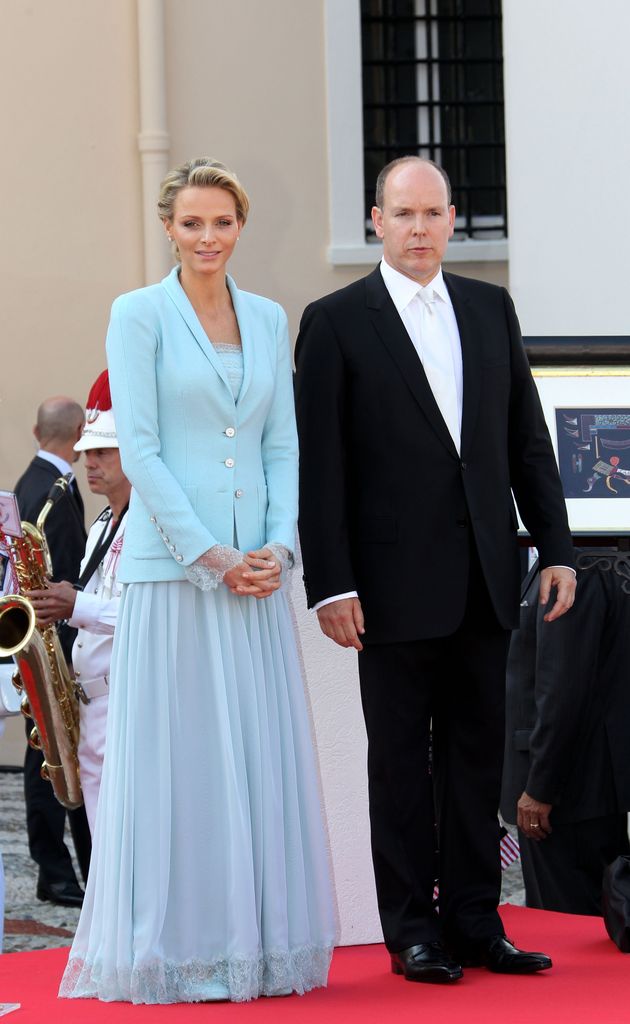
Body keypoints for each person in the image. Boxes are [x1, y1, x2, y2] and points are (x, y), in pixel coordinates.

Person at [59, 159, 335, 1004]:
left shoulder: (267, 315)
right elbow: (138, 448)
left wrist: (277, 550)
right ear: (169, 228)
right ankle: (173, 950)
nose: (208, 238)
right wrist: (212, 556)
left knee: (250, 762)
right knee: (180, 762)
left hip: (256, 575)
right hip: (175, 574)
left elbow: (281, 445)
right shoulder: (137, 315)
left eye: (221, 223)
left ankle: (255, 946)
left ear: (241, 226)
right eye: (192, 225)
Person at [294, 156, 576, 983]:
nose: (419, 229)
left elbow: (527, 439)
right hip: (384, 593)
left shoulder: (491, 309)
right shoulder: (336, 319)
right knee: (400, 769)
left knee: (476, 762)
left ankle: (477, 922)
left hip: (486, 578)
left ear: (454, 220)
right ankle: (411, 930)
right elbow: (324, 468)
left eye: (433, 214)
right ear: (376, 221)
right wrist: (331, 584)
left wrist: (555, 547)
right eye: (402, 214)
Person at [27, 372, 131, 836]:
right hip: (89, 706)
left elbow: (151, 620)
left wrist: (75, 606)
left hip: (126, 707)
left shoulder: (148, 528)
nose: (88, 462)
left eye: (102, 452)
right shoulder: (105, 521)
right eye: (85, 451)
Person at [501, 551, 630, 915]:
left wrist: (540, 787)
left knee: (565, 929)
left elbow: (562, 688)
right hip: (587, 788)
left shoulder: (577, 570)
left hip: (564, 795)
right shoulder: (595, 561)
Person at [13, 397, 91, 908]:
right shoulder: (55, 492)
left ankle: (57, 869)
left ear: (37, 429)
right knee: (53, 761)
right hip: (54, 643)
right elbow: (64, 571)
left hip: (39, 640)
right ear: (80, 435)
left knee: (46, 758)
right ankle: (60, 873)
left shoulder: (28, 481)